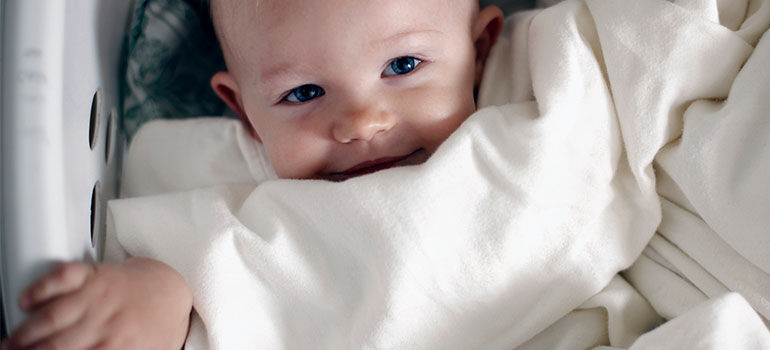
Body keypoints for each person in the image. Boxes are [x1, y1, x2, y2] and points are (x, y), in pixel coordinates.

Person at [3, 0, 504, 348]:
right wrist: (157, 298)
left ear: (480, 49)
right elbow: (184, 254)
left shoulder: (530, 102)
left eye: (403, 64)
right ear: (244, 111)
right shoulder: (228, 172)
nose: (361, 123)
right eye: (304, 93)